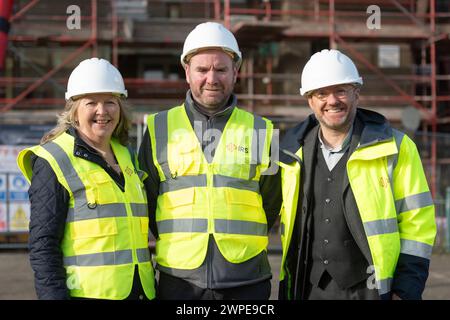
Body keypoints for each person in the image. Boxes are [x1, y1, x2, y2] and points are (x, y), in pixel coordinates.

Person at [138, 22, 281, 300]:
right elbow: (149, 198)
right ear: (187, 72)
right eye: (202, 69)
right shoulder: (157, 128)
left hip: (246, 280)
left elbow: (271, 202)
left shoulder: (265, 130)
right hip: (178, 280)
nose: (212, 78)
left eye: (221, 69)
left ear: (235, 72)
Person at [277, 49, 436, 300]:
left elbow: (418, 226)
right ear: (310, 100)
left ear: (356, 93)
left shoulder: (397, 147)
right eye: (321, 93)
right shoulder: (290, 154)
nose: (332, 101)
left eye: (341, 90)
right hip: (308, 288)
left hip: (369, 290)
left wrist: (405, 291)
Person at [17, 58, 156, 300]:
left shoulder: (127, 157)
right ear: (75, 111)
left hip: (141, 293)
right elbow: (43, 245)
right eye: (91, 102)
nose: (102, 111)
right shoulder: (54, 159)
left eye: (110, 102)